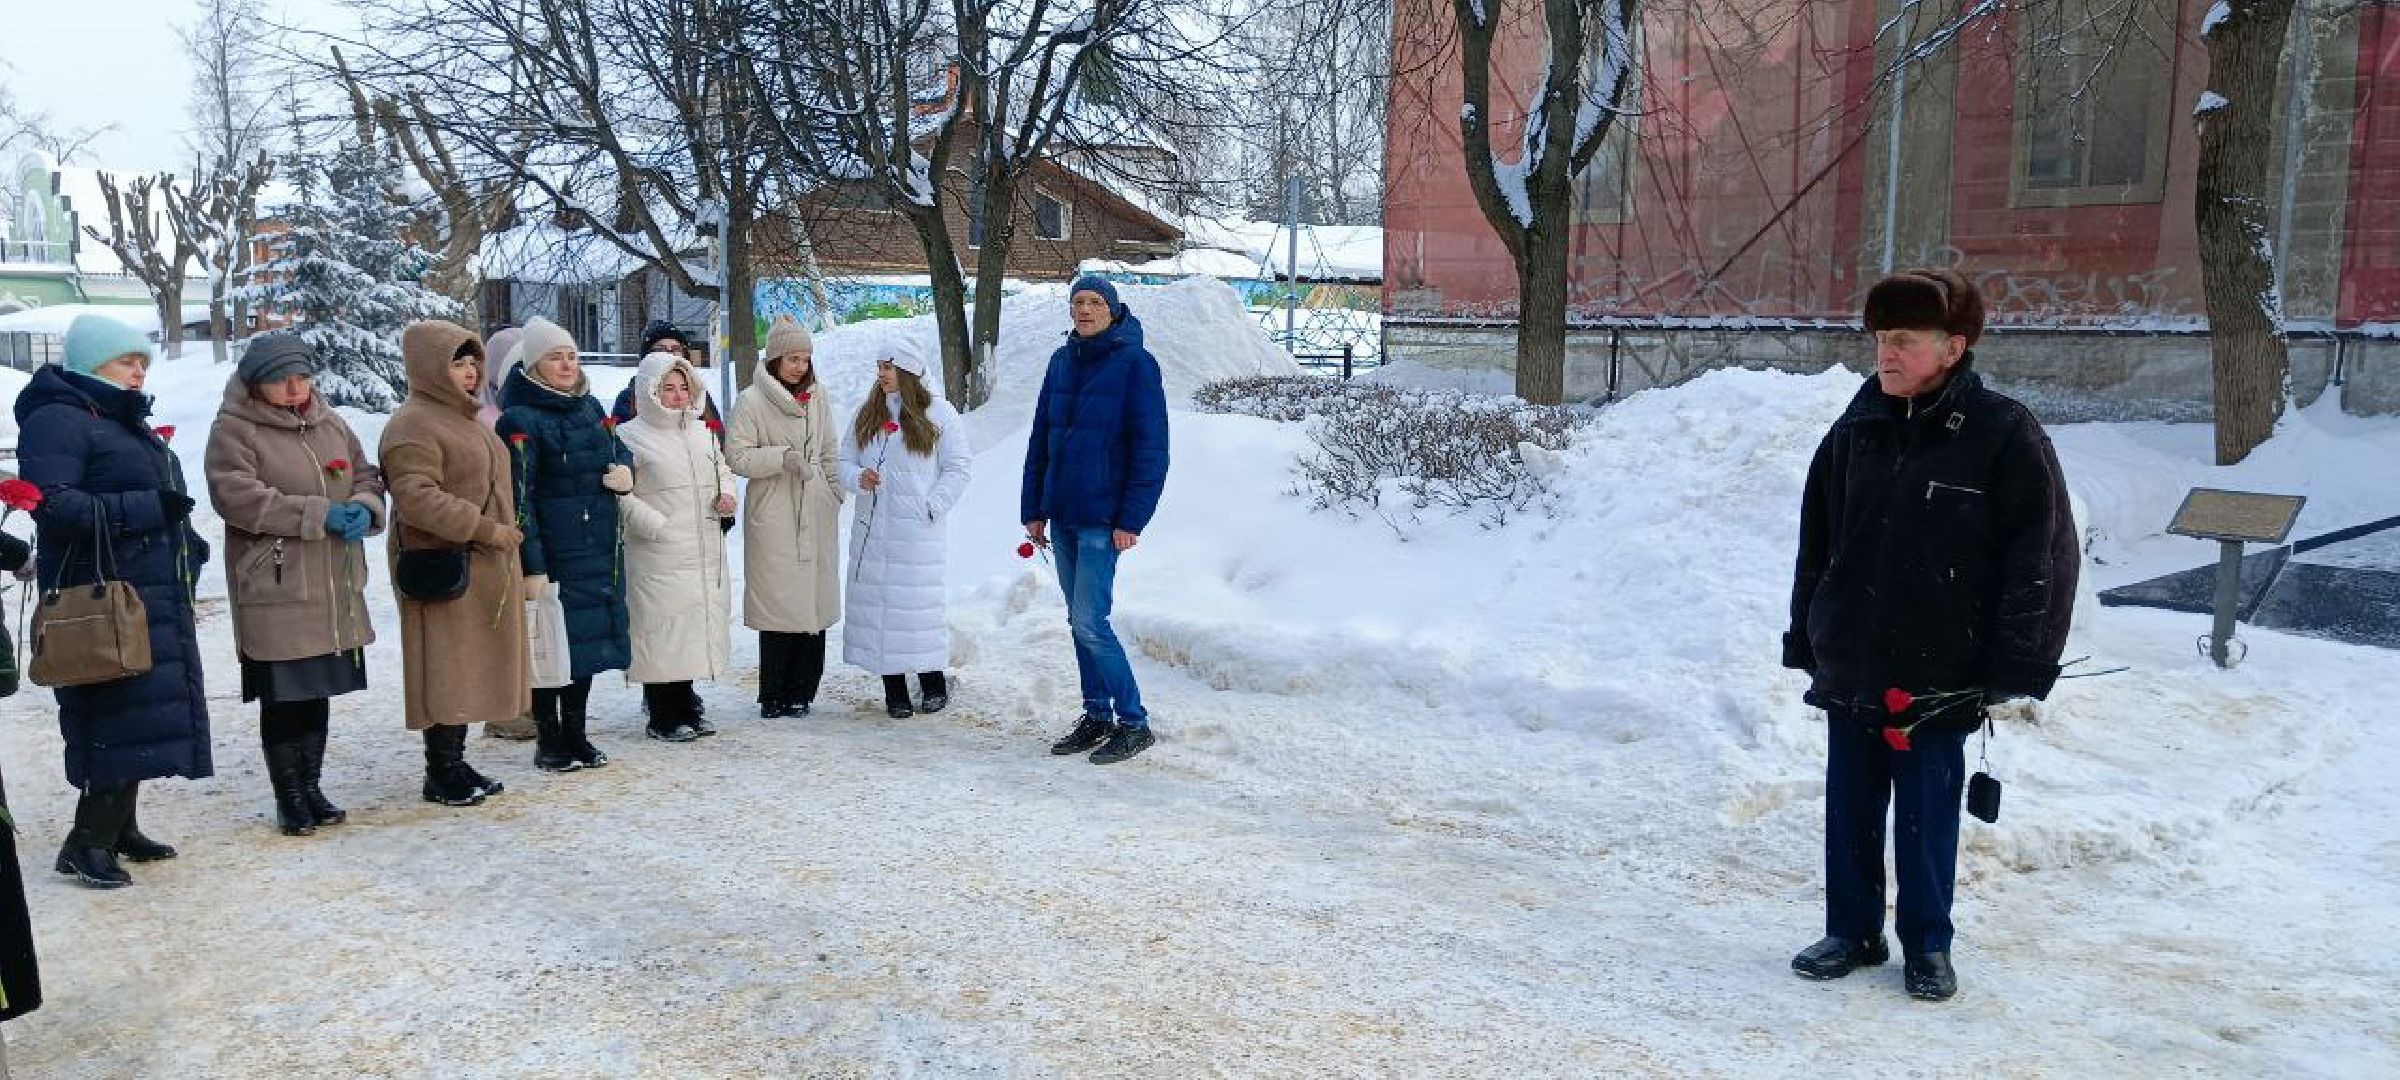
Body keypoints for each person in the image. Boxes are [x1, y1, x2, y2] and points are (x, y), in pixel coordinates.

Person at [1782, 267, 2079, 1002]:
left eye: (1905, 341)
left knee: (1925, 816)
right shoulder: (1855, 429)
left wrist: (2020, 658)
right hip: (1854, 655)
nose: (1887, 354)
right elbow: (1817, 541)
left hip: (1941, 668)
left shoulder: (2003, 433)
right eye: (1882, 339)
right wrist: (1808, 633)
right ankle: (1851, 931)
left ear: (1953, 347)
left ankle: (1927, 945)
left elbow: (2041, 554)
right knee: (1849, 806)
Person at [14, 315, 213, 889]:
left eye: (143, 362)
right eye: (128, 361)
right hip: (99, 596)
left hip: (141, 587)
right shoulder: (59, 419)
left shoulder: (115, 418)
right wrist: (149, 510)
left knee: (138, 711)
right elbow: (53, 505)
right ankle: (86, 843)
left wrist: (186, 543)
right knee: (112, 711)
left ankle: (120, 826)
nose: (139, 370)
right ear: (92, 364)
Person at [204, 333, 387, 836]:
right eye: (282, 380)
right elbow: (236, 496)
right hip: (276, 580)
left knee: (317, 691)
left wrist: (365, 507)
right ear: (256, 383)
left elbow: (368, 475)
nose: (295, 388)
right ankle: (290, 798)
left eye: (302, 377)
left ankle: (312, 787)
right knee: (285, 694)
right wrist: (317, 513)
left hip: (331, 582)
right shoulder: (235, 430)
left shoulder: (330, 422)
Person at [379, 320, 528, 807]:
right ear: (429, 368)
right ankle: (440, 768)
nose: (468, 373)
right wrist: (487, 531)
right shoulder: (413, 424)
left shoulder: (466, 419)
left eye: (472, 363)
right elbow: (418, 498)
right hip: (443, 561)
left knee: (469, 663)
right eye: (456, 363)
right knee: (446, 664)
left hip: (482, 560)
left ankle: (456, 760)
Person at [1023, 276, 1170, 766]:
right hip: (1063, 514)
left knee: (1090, 621)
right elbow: (1041, 438)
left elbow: (1152, 451)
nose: (1085, 310)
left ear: (1112, 309)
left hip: (1105, 520)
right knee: (1076, 620)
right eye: (1078, 302)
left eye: (1094, 302)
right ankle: (1096, 715)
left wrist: (1133, 518)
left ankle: (1134, 722)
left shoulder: (1136, 365)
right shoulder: (1061, 362)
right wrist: (1034, 509)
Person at [495, 317, 634, 771]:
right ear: (534, 365)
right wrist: (531, 562)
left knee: (585, 646)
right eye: (555, 357)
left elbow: (616, 450)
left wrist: (624, 470)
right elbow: (519, 495)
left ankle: (576, 732)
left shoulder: (590, 405)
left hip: (596, 546)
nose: (566, 364)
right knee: (551, 648)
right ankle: (548, 737)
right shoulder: (519, 419)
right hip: (554, 550)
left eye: (571, 355)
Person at [839, 344, 970, 719]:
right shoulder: (868, 414)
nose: (881, 375)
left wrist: (931, 506)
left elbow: (958, 467)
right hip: (873, 531)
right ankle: (893, 690)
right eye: (879, 367)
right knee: (879, 609)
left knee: (917, 609)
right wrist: (857, 477)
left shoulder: (938, 413)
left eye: (888, 368)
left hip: (916, 533)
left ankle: (933, 683)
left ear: (908, 372)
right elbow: (843, 459)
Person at [727, 315, 844, 718]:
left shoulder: (819, 396)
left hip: (815, 504)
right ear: (775, 359)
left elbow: (829, 447)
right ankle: (773, 693)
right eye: (793, 358)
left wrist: (835, 491)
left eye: (806, 358)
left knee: (813, 602)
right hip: (775, 508)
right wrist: (781, 458)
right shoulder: (751, 401)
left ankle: (803, 691)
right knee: (780, 603)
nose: (800, 366)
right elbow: (737, 456)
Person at [616, 352, 735, 741]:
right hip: (658, 550)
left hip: (700, 547)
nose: (679, 395)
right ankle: (663, 714)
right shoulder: (629, 436)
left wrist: (727, 497)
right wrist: (654, 526)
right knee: (661, 629)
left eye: (684, 386)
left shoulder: (702, 432)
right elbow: (617, 494)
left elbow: (723, 470)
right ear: (649, 391)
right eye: (668, 387)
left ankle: (686, 703)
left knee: (690, 627)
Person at [473, 323, 539, 742]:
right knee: (499, 622)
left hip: (527, 526)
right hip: (494, 530)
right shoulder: (482, 416)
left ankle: (530, 700)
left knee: (533, 620)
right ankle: (504, 709)